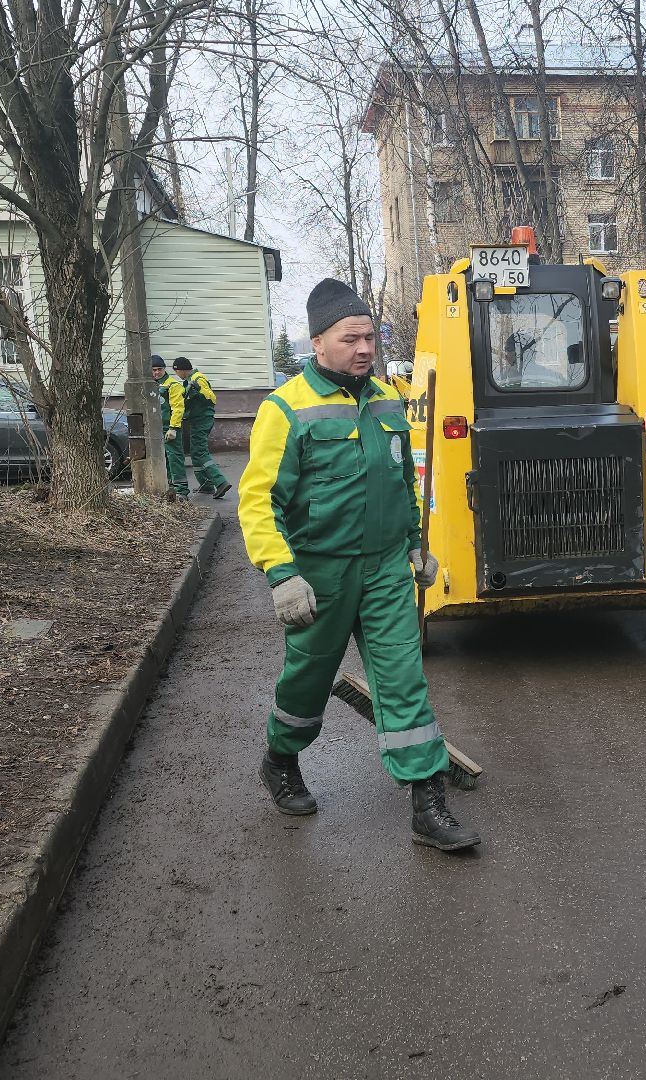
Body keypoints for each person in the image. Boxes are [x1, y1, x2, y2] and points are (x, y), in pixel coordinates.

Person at [236, 278, 481, 853]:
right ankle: (280, 760)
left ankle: (428, 803)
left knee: (404, 680)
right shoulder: (284, 408)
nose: (365, 348)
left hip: (385, 571)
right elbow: (258, 500)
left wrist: (415, 544)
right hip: (317, 575)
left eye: (371, 336)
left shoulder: (389, 400)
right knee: (307, 682)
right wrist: (280, 573)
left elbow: (403, 480)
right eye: (352, 338)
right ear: (318, 343)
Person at [171, 357, 232, 499]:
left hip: (202, 421)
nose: (177, 375)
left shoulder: (198, 379)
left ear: (180, 370)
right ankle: (206, 485)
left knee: (200, 452)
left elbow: (211, 397)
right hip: (197, 420)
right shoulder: (189, 380)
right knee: (195, 451)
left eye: (176, 371)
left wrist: (198, 390)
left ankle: (220, 482)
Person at [151, 355, 189, 498]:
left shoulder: (172, 385)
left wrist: (173, 427)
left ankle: (181, 491)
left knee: (175, 459)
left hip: (170, 428)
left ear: (164, 369)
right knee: (163, 460)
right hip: (156, 429)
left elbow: (178, 407)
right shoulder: (150, 385)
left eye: (159, 369)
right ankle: (170, 488)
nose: (156, 372)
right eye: (153, 370)